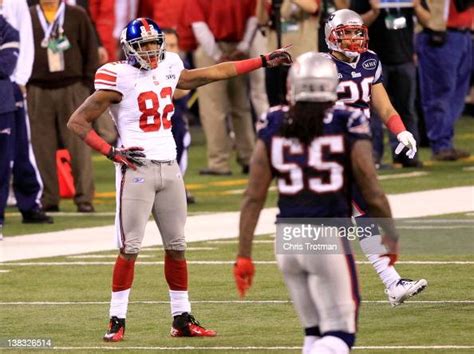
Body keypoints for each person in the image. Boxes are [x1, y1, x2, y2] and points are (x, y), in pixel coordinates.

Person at [67, 17, 292, 342]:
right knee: (130, 247)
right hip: (137, 169)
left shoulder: (170, 64)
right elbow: (78, 122)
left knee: (177, 246)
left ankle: (181, 319)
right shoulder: (117, 76)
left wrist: (261, 61)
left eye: (153, 43)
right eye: (143, 45)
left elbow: (213, 73)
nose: (150, 50)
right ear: (129, 49)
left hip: (170, 167)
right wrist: (111, 152)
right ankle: (117, 320)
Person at [234, 52, 400, 354]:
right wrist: (390, 234)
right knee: (341, 335)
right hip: (326, 236)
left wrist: (244, 254)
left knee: (314, 333)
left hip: (287, 238)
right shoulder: (346, 120)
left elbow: (253, 197)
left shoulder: (273, 120)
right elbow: (372, 191)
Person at [325, 9, 427, 305]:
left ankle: (388, 283)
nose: (354, 38)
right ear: (331, 35)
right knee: (361, 214)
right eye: (346, 33)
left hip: (359, 149)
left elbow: (384, 105)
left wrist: (400, 130)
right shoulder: (321, 66)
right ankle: (389, 282)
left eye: (358, 32)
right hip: (332, 149)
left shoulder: (370, 60)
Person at [27, 0, 99, 213]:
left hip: (73, 86)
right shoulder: (28, 16)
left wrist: (87, 85)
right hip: (38, 88)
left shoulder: (77, 14)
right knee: (42, 147)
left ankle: (84, 197)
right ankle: (49, 197)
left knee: (79, 145)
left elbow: (90, 49)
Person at [351, 0, 430, 168]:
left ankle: (408, 154)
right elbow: (354, 25)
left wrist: (416, 6)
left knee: (406, 109)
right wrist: (374, 11)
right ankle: (372, 156)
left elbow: (428, 20)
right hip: (373, 61)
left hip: (404, 58)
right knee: (373, 111)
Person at [184, 0, 258, 176]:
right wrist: (244, 46)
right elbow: (253, 17)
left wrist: (217, 54)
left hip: (212, 50)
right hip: (239, 47)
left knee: (213, 109)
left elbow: (199, 25)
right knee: (241, 107)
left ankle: (219, 162)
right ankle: (250, 158)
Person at [0, 0, 53, 226]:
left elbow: (26, 38)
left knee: (21, 146)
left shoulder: (16, 2)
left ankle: (29, 202)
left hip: (11, 82)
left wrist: (21, 78)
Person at [416, 0, 472, 161]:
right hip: (438, 34)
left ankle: (445, 140)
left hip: (464, 33)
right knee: (439, 91)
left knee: (457, 94)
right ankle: (440, 144)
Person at [163, 27, 195, 204]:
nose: (169, 50)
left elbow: (182, 90)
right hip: (150, 123)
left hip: (175, 118)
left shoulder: (180, 66)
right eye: (165, 46)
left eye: (173, 45)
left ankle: (178, 184)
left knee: (181, 142)